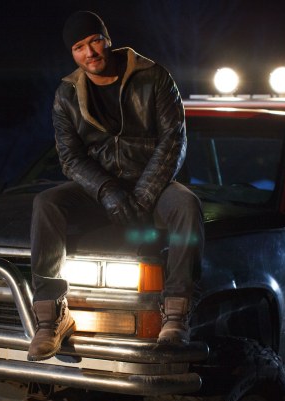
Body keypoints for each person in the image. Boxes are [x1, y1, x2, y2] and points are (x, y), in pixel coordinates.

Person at [27, 11, 203, 361]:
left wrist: (143, 195)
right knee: (47, 202)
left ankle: (176, 315)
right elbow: (70, 158)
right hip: (101, 189)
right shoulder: (66, 94)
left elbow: (173, 141)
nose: (89, 52)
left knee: (186, 204)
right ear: (73, 53)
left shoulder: (154, 76)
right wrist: (108, 191)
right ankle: (50, 318)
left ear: (107, 39)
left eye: (94, 41)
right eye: (79, 47)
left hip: (154, 184)